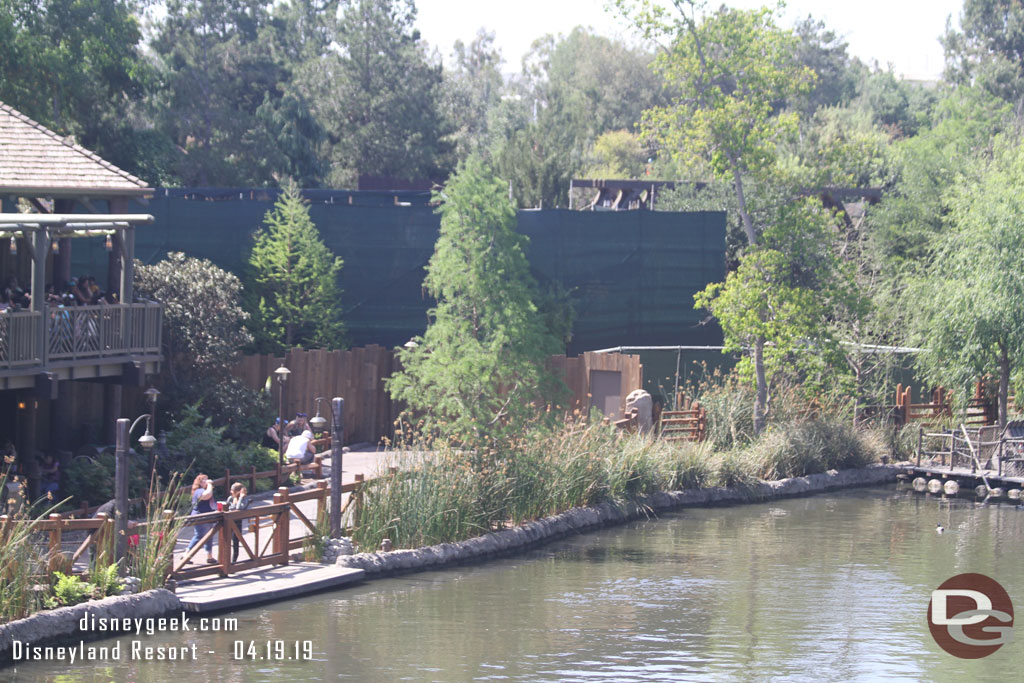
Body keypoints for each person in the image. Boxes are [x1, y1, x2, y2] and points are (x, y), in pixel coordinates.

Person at [185, 474, 217, 563]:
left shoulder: (203, 489)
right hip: (200, 517)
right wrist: (210, 484)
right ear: (200, 482)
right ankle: (186, 555)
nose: (207, 481)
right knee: (199, 536)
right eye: (204, 480)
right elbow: (207, 495)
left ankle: (209, 556)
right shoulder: (199, 491)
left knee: (209, 536)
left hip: (207, 516)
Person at [227, 483, 251, 563]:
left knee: (235, 543)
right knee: (226, 542)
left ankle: (233, 562)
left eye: (232, 491)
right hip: (228, 522)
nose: (231, 492)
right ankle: (226, 561)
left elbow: (238, 508)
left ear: (238, 492)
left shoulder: (245, 500)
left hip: (237, 523)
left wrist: (240, 497)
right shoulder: (230, 498)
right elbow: (226, 507)